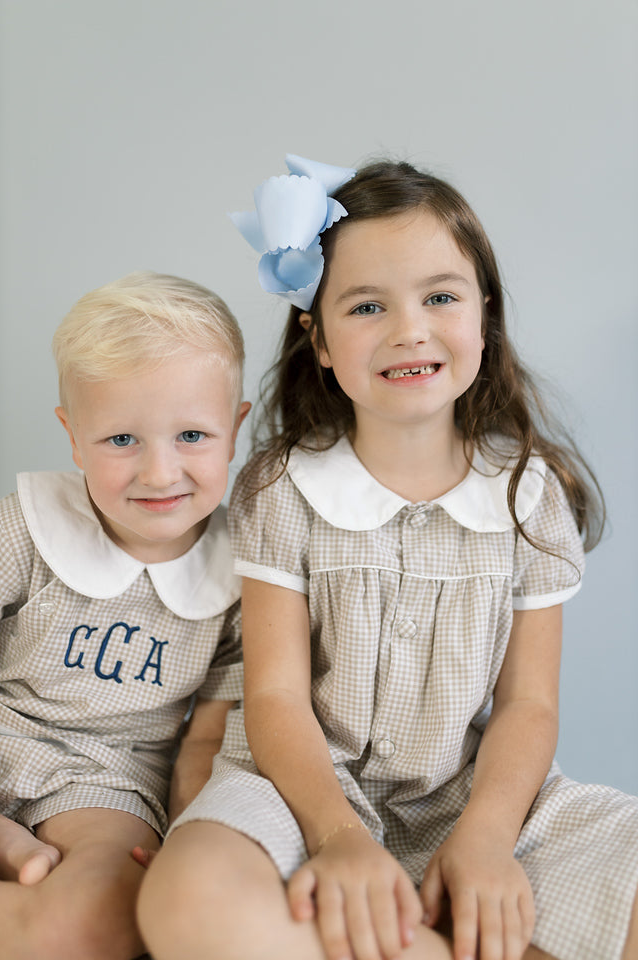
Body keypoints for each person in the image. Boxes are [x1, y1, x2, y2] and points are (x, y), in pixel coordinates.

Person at [137, 156, 638, 960]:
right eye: (367, 305)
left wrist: (484, 842)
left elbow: (528, 708)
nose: (410, 328)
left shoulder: (528, 496)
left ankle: (423, 924)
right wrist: (336, 836)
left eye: (440, 297)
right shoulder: (282, 487)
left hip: (470, 797)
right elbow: (273, 697)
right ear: (322, 341)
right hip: (297, 791)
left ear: (485, 319)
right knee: (188, 903)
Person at [0, 271, 249, 959]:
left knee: (106, 916)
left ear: (237, 430)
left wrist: (191, 834)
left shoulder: (240, 574)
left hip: (104, 780)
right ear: (73, 436)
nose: (160, 472)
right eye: (120, 441)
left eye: (192, 435)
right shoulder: (28, 527)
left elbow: (207, 736)